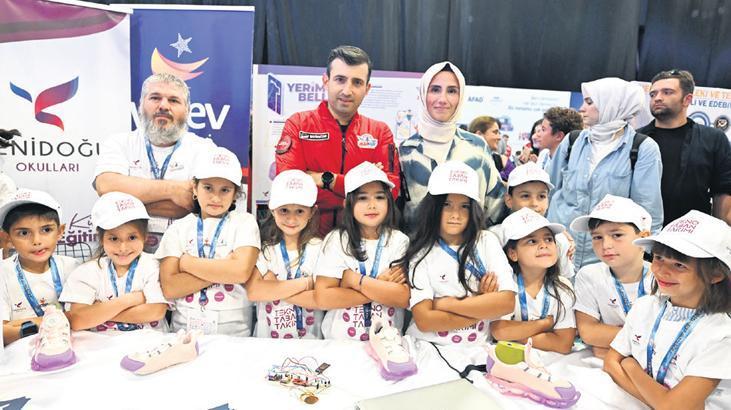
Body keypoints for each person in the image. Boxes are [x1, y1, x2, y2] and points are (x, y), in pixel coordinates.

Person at [604, 211, 731, 410]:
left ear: (715, 274)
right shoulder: (645, 306)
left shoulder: (722, 335)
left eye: (679, 265)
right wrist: (661, 400)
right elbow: (611, 362)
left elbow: (674, 407)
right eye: (659, 258)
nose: (661, 271)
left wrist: (630, 366)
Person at [275, 46, 400, 236]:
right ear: (325, 81)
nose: (347, 91)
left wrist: (326, 179)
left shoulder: (380, 132)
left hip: (360, 237)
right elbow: (290, 186)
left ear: (367, 89)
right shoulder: (298, 124)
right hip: (307, 236)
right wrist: (361, 189)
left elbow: (391, 190)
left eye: (357, 82)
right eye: (340, 80)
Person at [547, 77, 663, 269]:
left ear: (611, 104)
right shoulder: (572, 141)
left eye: (589, 102)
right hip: (561, 251)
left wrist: (644, 256)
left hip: (607, 257)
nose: (582, 108)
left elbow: (648, 211)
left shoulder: (642, 148)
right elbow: (549, 190)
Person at [94, 73, 216, 251]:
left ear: (187, 110)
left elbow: (193, 203)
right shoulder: (119, 143)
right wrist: (174, 190)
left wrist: (126, 200)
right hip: (125, 252)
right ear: (141, 105)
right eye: (155, 98)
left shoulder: (205, 149)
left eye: (173, 100)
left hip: (185, 251)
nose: (164, 106)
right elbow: (106, 186)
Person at [400, 161, 515, 346]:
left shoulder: (486, 241)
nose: (456, 214)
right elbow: (425, 321)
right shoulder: (421, 252)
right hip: (429, 347)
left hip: (477, 348)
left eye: (464, 206)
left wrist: (444, 304)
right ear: (433, 207)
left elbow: (507, 303)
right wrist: (482, 305)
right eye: (447, 204)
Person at [156, 147, 260, 336]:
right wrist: (224, 269)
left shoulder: (244, 222)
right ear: (195, 188)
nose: (216, 197)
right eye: (208, 187)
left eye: (225, 190)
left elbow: (241, 272)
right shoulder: (177, 229)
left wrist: (188, 264)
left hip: (236, 333)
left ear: (235, 193)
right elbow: (170, 287)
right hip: (183, 332)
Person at [399, 61, 505, 229]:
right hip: (416, 245)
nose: (443, 99)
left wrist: (483, 239)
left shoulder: (477, 147)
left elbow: (496, 206)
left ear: (460, 97)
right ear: (423, 93)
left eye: (452, 91)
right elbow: (397, 214)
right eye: (435, 90)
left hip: (470, 244)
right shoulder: (404, 152)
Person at [314, 161, 409, 341]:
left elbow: (402, 297)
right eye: (362, 198)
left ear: (389, 202)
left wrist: (353, 280)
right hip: (340, 342)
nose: (372, 205)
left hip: (388, 344)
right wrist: (379, 285)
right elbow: (323, 298)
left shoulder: (399, 241)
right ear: (347, 203)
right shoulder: (337, 240)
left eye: (379, 197)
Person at [61, 192, 168, 332]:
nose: (123, 248)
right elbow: (77, 320)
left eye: (132, 238)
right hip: (100, 343)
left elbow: (156, 312)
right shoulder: (86, 271)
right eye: (114, 239)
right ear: (101, 239)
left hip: (151, 342)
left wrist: (98, 312)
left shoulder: (154, 265)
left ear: (145, 236)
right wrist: (131, 299)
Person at [637, 69, 731, 224]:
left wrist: (722, 231)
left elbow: (723, 189)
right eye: (653, 94)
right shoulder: (636, 139)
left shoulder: (713, 138)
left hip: (694, 231)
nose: (657, 98)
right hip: (643, 231)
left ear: (687, 99)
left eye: (667, 92)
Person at [571, 195, 655, 359]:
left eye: (617, 235)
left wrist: (608, 345)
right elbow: (588, 333)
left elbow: (667, 340)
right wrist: (644, 339)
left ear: (643, 238)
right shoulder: (589, 275)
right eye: (597, 237)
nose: (606, 245)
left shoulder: (664, 279)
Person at [247, 170, 323, 339]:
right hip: (268, 343)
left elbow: (321, 299)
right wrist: (307, 282)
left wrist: (274, 288)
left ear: (312, 212)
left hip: (311, 343)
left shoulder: (320, 249)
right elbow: (255, 292)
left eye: (300, 211)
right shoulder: (264, 250)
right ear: (272, 209)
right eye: (284, 210)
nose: (291, 219)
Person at [491, 208, 577, 354]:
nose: (544, 245)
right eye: (532, 241)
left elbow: (563, 344)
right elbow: (499, 331)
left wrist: (515, 334)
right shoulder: (504, 284)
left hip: (552, 361)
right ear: (513, 253)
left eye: (549, 239)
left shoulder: (563, 287)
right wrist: (543, 324)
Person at [1, 189, 79, 345]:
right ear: (7, 238)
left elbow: (84, 317)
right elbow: (3, 333)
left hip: (73, 348)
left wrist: (17, 325)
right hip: (20, 354)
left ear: (60, 231)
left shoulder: (74, 267)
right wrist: (52, 324)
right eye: (24, 233)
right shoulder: (2, 273)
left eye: (46, 230)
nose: (36, 241)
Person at [489, 162, 575, 279]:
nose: (534, 203)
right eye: (525, 196)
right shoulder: (494, 236)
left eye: (541, 196)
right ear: (509, 200)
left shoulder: (560, 240)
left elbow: (564, 281)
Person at [535, 107, 583, 173]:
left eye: (543, 129)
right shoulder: (544, 155)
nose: (538, 134)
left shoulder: (571, 167)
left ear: (559, 136)